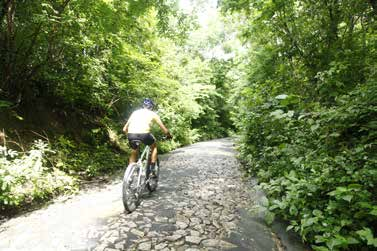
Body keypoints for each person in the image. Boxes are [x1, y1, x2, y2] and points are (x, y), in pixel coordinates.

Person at [123, 98, 171, 174]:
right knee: (154, 146)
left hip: (131, 134)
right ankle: (152, 168)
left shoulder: (135, 112)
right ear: (151, 107)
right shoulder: (153, 114)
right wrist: (168, 135)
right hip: (145, 135)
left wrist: (129, 136)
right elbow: (164, 129)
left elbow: (124, 129)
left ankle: (129, 172)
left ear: (143, 106)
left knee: (134, 150)